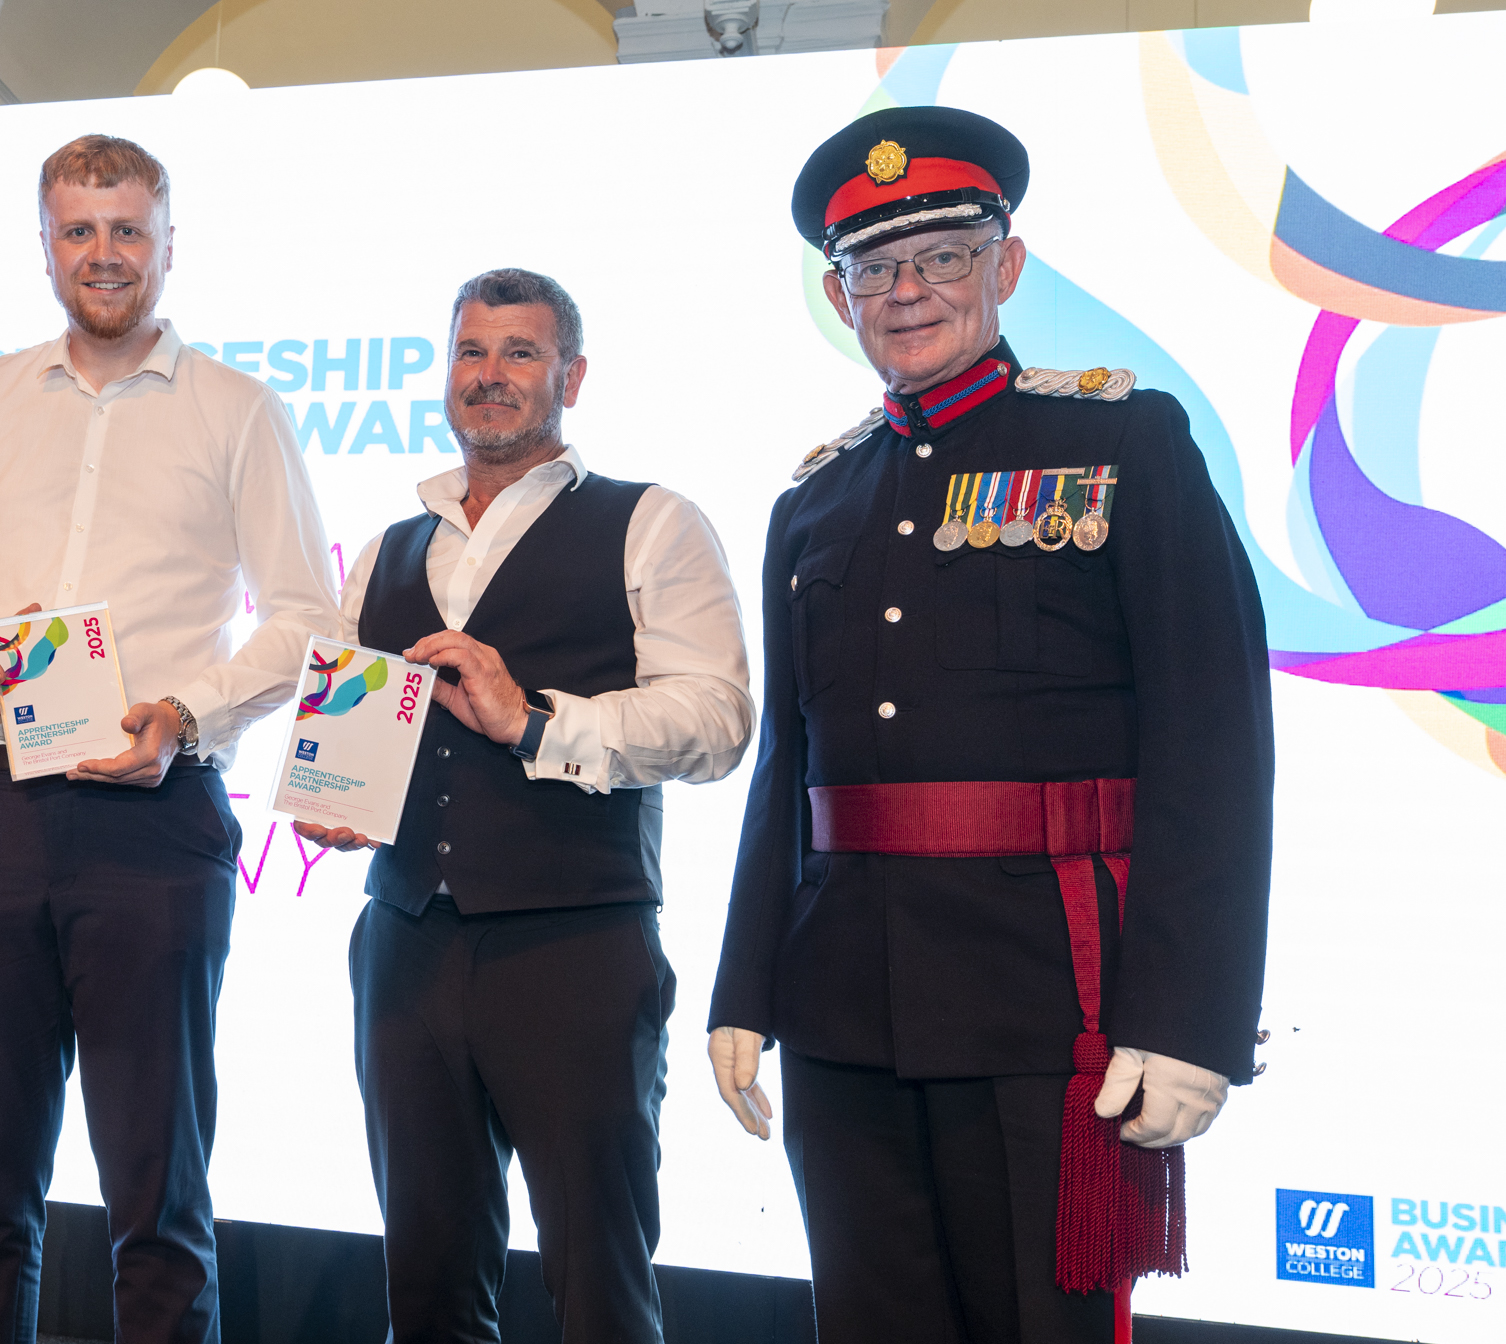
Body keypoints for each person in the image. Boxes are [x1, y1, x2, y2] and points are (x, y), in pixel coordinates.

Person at [706, 106, 1275, 1342]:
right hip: (844, 1002)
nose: (909, 292)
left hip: (1049, 1004)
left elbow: (1214, 749)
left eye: (945, 256)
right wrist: (746, 984)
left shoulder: (1123, 443)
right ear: (838, 292)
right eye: (874, 268)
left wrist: (1192, 1021)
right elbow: (788, 776)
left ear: (1004, 265)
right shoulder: (813, 501)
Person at [0, 134, 337, 1344]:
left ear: (169, 242)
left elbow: (305, 618)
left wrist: (187, 717)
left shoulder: (240, 410)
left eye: (128, 229)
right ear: (45, 248)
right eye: (79, 230)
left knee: (157, 1189)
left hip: (154, 817)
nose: (105, 254)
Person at [297, 268, 753, 1344]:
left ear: (571, 377)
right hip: (405, 943)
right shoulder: (386, 550)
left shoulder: (652, 523)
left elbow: (719, 720)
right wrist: (345, 797)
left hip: (576, 949)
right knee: (428, 1273)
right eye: (471, 352)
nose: (489, 376)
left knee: (599, 1275)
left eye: (518, 353)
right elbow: (363, 738)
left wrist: (536, 718)